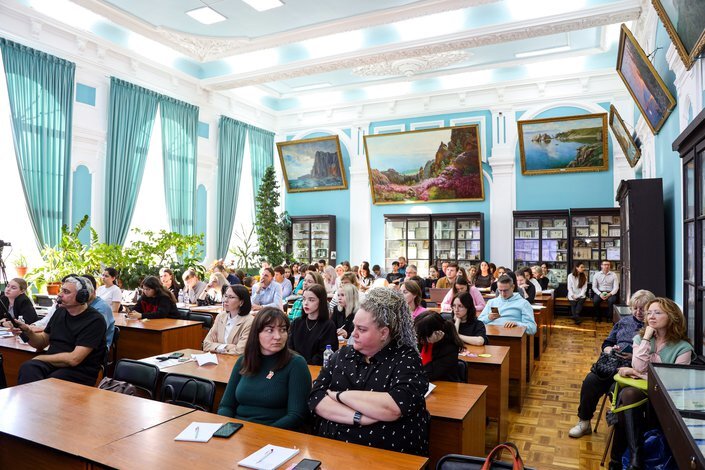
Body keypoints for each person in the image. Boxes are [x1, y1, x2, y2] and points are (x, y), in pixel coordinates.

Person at [308, 288, 430, 456]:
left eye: (362, 329)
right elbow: (316, 398)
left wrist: (339, 396)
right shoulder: (342, 355)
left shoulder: (406, 359)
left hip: (386, 455)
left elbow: (393, 407)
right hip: (332, 450)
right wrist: (359, 417)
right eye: (354, 327)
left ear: (384, 333)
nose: (354, 334)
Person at [608, 298, 694, 470]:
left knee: (627, 403)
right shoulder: (640, 339)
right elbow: (639, 366)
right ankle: (635, 458)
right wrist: (647, 337)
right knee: (629, 396)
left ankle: (619, 460)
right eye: (649, 313)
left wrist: (638, 374)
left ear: (672, 317)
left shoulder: (683, 348)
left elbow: (670, 384)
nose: (651, 316)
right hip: (641, 395)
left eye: (658, 312)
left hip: (665, 400)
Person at [569, 290, 655, 439]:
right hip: (613, 363)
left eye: (643, 308)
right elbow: (607, 343)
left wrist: (633, 356)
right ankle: (584, 422)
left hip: (635, 371)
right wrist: (611, 350)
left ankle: (621, 434)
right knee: (590, 381)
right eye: (635, 308)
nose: (638, 312)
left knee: (617, 390)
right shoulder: (624, 322)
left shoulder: (654, 327)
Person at [217, 307, 311, 430]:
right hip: (239, 432)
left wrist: (262, 435)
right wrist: (227, 428)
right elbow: (226, 406)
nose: (278, 336)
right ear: (256, 333)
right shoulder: (244, 361)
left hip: (276, 435)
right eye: (269, 330)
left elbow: (296, 415)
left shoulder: (296, 364)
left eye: (283, 330)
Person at [14, 276, 106, 386]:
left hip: (79, 370)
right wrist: (28, 331)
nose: (60, 294)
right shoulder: (59, 312)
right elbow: (42, 341)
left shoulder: (95, 320)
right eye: (62, 290)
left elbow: (74, 359)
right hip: (53, 363)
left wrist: (41, 358)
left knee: (53, 381)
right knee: (28, 368)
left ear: (82, 296)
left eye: (66, 292)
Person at [288, 284, 338, 365]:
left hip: (316, 368)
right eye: (304, 299)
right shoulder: (296, 323)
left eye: (311, 300)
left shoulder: (328, 326)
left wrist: (306, 363)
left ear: (320, 302)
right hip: (295, 365)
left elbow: (325, 354)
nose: (306, 303)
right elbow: (289, 348)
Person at [414, 311, 464, 382]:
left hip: (445, 387)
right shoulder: (422, 341)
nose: (418, 340)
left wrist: (431, 345)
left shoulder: (450, 348)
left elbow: (428, 374)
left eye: (422, 336)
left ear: (437, 333)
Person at [203, 284, 253, 355]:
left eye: (231, 297)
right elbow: (206, 344)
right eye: (225, 296)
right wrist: (227, 347)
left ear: (241, 302)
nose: (225, 300)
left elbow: (241, 350)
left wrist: (216, 347)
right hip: (218, 360)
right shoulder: (220, 317)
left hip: (236, 363)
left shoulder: (249, 321)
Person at [82, 274, 115, 349]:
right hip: (82, 342)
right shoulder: (81, 304)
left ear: (92, 291)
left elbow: (93, 334)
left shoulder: (102, 308)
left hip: (96, 348)